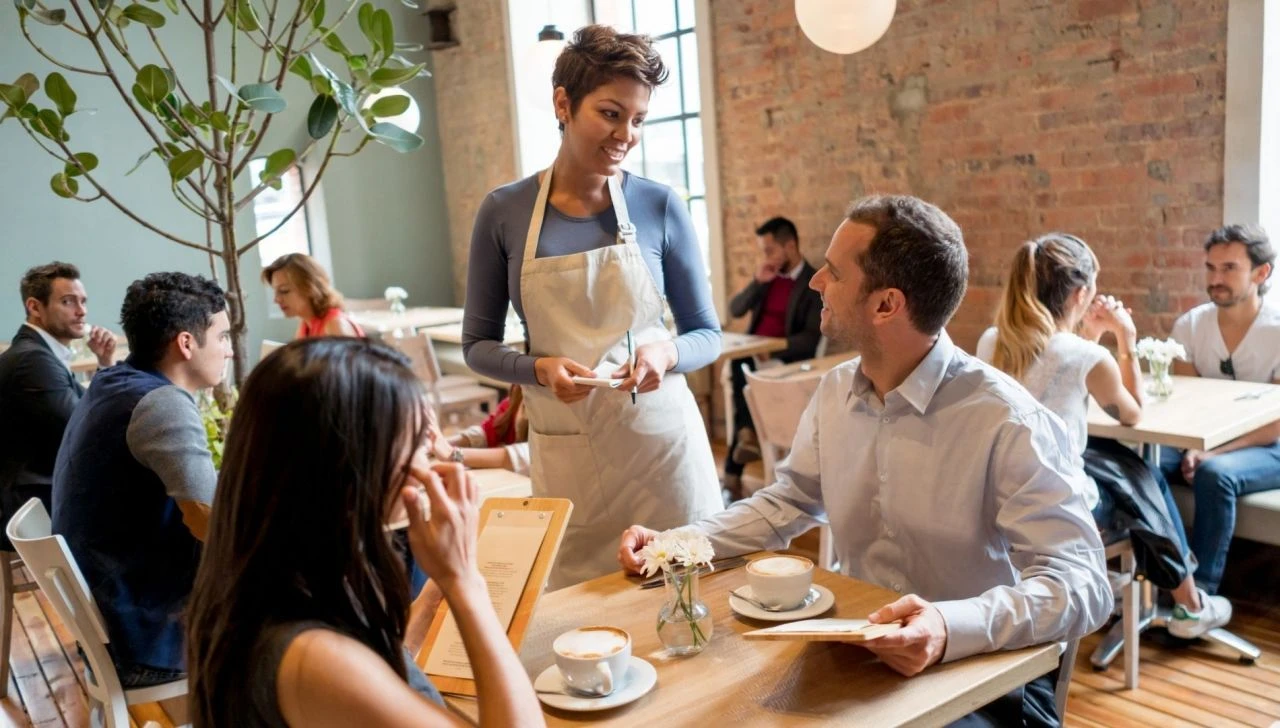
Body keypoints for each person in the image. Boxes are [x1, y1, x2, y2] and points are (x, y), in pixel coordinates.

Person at [618, 196, 1112, 727]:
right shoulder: (834, 392)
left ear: (885, 305)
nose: (813, 283)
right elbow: (787, 503)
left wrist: (947, 626)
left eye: (832, 273)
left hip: (978, 680)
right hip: (857, 659)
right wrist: (675, 546)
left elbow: (1083, 584)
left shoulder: (1008, 419)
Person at [462, 25, 722, 589]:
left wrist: (667, 352)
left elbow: (707, 333)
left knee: (685, 620)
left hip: (664, 461)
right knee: (581, 632)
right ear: (563, 103)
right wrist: (537, 369)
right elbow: (476, 346)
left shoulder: (658, 205)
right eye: (610, 113)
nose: (626, 135)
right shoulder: (504, 212)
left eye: (638, 119)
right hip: (568, 463)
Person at [187, 339, 542, 728]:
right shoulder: (314, 661)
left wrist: (430, 599)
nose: (429, 456)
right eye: (416, 440)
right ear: (352, 465)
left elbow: (377, 666)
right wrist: (464, 581)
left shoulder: (272, 581)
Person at [976, 233, 1232, 639]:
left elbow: (1055, 386)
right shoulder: (1086, 356)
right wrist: (1124, 340)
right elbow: (1132, 413)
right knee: (1142, 477)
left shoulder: (992, 341)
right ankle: (1185, 602)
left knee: (1123, 466)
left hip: (996, 497)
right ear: (1080, 294)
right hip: (1057, 506)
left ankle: (1137, 592)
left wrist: (1089, 338)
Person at [51, 272, 229, 686]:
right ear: (186, 343)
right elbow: (211, 523)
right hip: (148, 634)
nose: (229, 351)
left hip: (118, 614)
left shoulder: (113, 381)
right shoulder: (160, 403)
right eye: (222, 337)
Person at [1161, 224, 1280, 599]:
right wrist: (1194, 446)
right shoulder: (1191, 326)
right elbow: (1186, 404)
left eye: (1229, 268)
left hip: (1269, 445)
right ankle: (1166, 575)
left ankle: (1201, 598)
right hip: (1204, 441)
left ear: (1262, 273)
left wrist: (1211, 452)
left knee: (1215, 474)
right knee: (1141, 462)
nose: (1216, 279)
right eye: (1211, 268)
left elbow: (1275, 424)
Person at [0, 262, 116, 542]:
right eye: (68, 302)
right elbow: (85, 431)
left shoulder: (39, 354)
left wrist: (105, 364)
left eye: (83, 301)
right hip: (33, 503)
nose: (82, 311)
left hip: (39, 494)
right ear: (35, 307)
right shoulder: (32, 360)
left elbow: (85, 413)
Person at [723, 217, 823, 499]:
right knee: (740, 363)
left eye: (769, 251)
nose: (766, 258)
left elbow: (811, 338)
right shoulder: (767, 279)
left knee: (743, 369)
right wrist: (757, 281)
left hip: (784, 362)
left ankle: (734, 468)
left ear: (790, 246)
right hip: (753, 358)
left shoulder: (811, 283)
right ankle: (746, 434)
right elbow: (735, 309)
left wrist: (775, 348)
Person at [427, 385, 531, 474]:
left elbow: (526, 456)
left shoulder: (543, 402)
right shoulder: (519, 392)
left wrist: (452, 454)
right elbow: (490, 430)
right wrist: (438, 443)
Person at [263, 253, 365, 338]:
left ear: (310, 287)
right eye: (275, 291)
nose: (276, 300)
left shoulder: (335, 326)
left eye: (284, 291)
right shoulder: (305, 325)